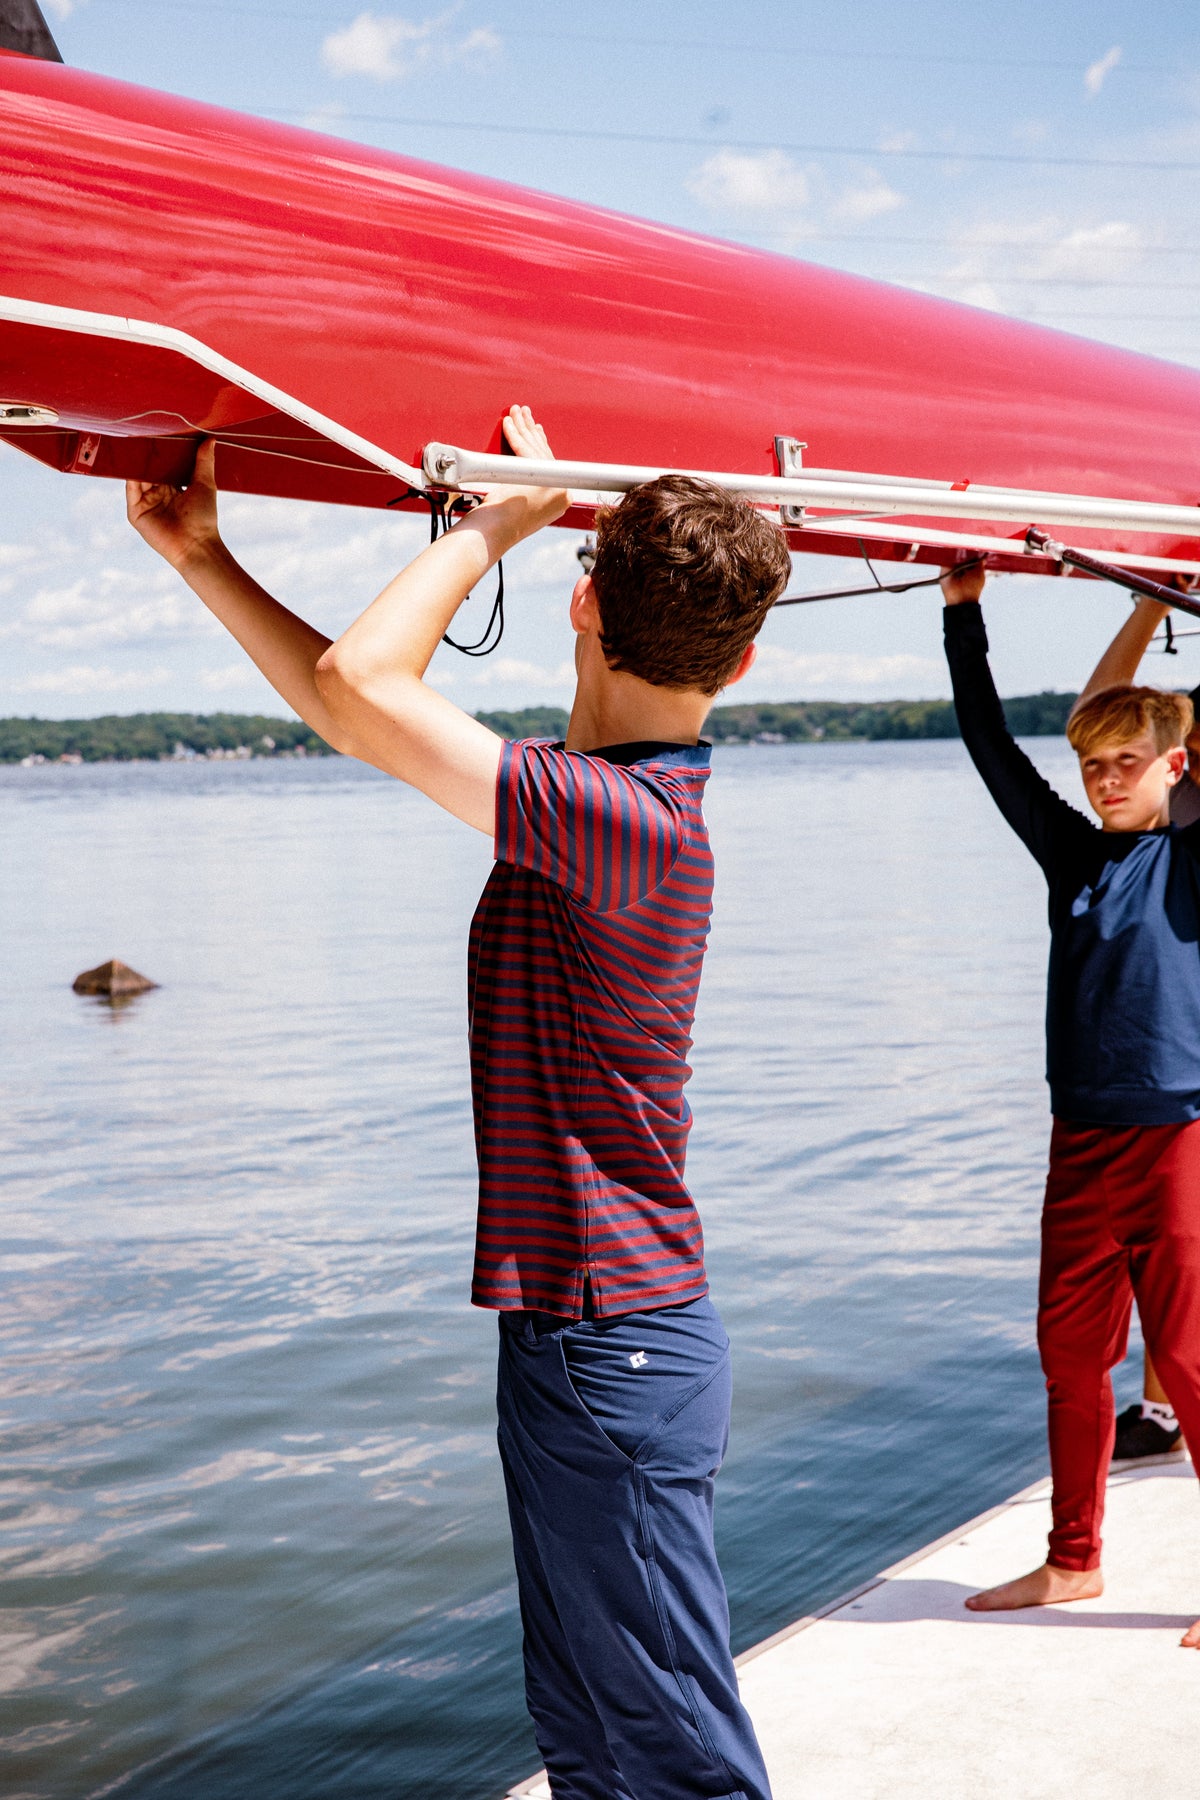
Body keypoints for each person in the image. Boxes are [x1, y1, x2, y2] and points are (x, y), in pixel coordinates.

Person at [126, 407, 792, 1799]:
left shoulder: (631, 823)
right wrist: (203, 557)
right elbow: (348, 704)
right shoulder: (594, 800)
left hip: (616, 1346)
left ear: (582, 605)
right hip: (578, 1340)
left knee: (678, 1764)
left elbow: (367, 680)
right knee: (590, 1740)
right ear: (743, 661)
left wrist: (504, 515)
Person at [940, 562, 1200, 1649]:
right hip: (1079, 1144)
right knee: (1069, 1357)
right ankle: (1073, 1560)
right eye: (1092, 765)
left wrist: (1159, 603)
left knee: (1190, 1360)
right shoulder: (1074, 857)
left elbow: (1138, 720)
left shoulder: (1192, 853)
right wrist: (963, 616)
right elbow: (991, 743)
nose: (1103, 779)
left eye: (1126, 763)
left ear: (1178, 764)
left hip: (1178, 1139)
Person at [1068, 591, 1200, 1461]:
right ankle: (1160, 1409)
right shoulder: (1151, 795)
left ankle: (1163, 1407)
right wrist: (1152, 603)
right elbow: (1095, 713)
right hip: (1165, 1054)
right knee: (1167, 1259)